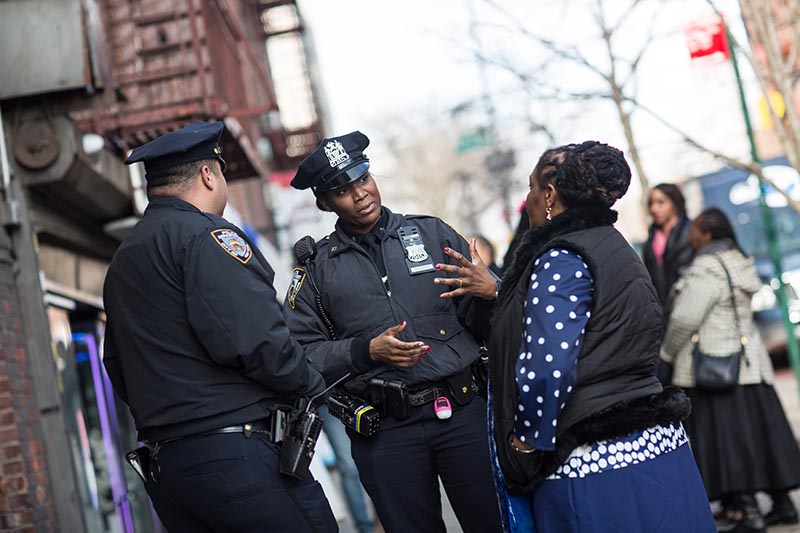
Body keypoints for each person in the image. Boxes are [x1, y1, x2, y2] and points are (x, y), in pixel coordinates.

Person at [450, 141, 714, 531]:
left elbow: (547, 367)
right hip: (658, 448)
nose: (530, 200)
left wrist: (525, 443)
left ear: (551, 195)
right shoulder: (616, 245)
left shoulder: (559, 258)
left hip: (592, 464)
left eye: (532, 189)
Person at [102, 121, 337, 532]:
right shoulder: (206, 235)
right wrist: (313, 383)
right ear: (209, 174)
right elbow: (258, 343)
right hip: (235, 457)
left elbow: (117, 364)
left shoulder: (124, 258)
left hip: (170, 467)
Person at [283, 131, 503, 533]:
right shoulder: (317, 270)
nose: (360, 194)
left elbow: (492, 324)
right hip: (386, 431)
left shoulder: (433, 234)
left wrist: (492, 293)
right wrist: (365, 351)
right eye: (342, 190)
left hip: (463, 414)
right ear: (324, 202)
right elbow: (301, 353)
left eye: (363, 179)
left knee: (494, 523)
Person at [660, 207, 800, 532]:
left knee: (728, 440)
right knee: (760, 436)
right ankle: (783, 505)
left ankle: (748, 511)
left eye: (695, 230)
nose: (691, 235)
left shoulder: (706, 268)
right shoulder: (740, 261)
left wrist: (666, 353)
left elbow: (684, 318)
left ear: (707, 235)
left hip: (714, 363)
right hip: (750, 362)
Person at [318, 405, 376, 533]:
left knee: (375, 456)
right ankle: (365, 528)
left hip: (352, 392)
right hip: (323, 400)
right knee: (349, 468)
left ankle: (384, 518)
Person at [643, 183, 694, 309]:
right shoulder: (651, 238)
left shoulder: (690, 232)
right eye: (651, 203)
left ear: (675, 203)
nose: (654, 209)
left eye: (661, 202)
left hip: (688, 304)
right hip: (663, 307)